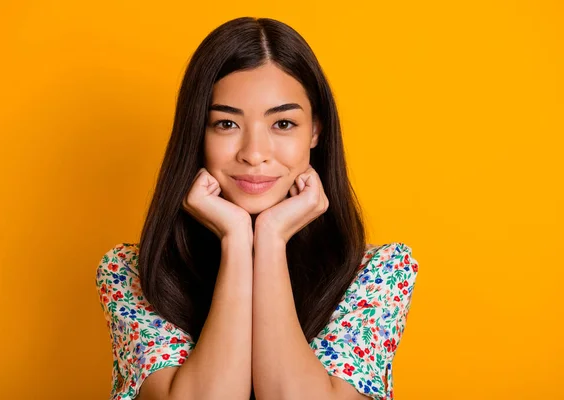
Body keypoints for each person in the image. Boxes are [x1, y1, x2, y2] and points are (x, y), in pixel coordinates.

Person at [95, 16, 419, 400]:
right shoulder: (128, 273)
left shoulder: (380, 274)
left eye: (282, 123)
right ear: (197, 132)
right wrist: (235, 239)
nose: (253, 154)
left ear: (315, 130)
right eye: (226, 124)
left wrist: (270, 237)